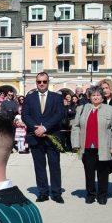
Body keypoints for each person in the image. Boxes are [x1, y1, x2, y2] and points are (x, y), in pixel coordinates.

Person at [72, 86, 112, 205]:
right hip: (87, 146)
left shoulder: (109, 109)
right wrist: (76, 143)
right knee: (89, 172)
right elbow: (75, 126)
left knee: (103, 173)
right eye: (93, 95)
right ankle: (90, 194)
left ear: (102, 97)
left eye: (98, 95)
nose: (96, 97)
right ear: (89, 97)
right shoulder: (82, 108)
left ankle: (102, 195)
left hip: (103, 146)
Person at [22, 72, 65, 203]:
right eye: (39, 81)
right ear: (36, 83)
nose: (41, 84)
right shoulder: (29, 98)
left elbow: (59, 114)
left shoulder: (56, 97)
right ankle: (43, 192)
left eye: (44, 81)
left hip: (52, 136)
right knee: (39, 166)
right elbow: (25, 115)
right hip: (35, 137)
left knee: (54, 165)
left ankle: (56, 193)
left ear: (48, 82)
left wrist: (44, 127)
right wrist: (36, 128)